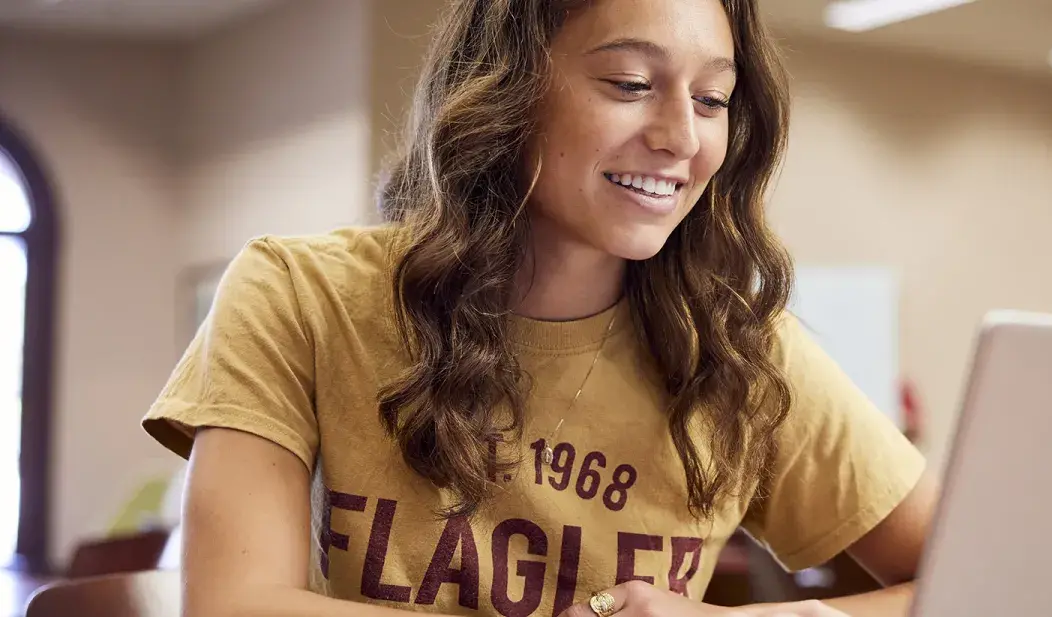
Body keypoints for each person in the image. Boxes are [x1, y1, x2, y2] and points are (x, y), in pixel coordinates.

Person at [140, 0, 936, 615]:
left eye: (712, 99)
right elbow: (235, 604)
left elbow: (987, 580)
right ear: (506, 87)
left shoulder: (742, 352)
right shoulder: (296, 294)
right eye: (630, 85)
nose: (681, 139)